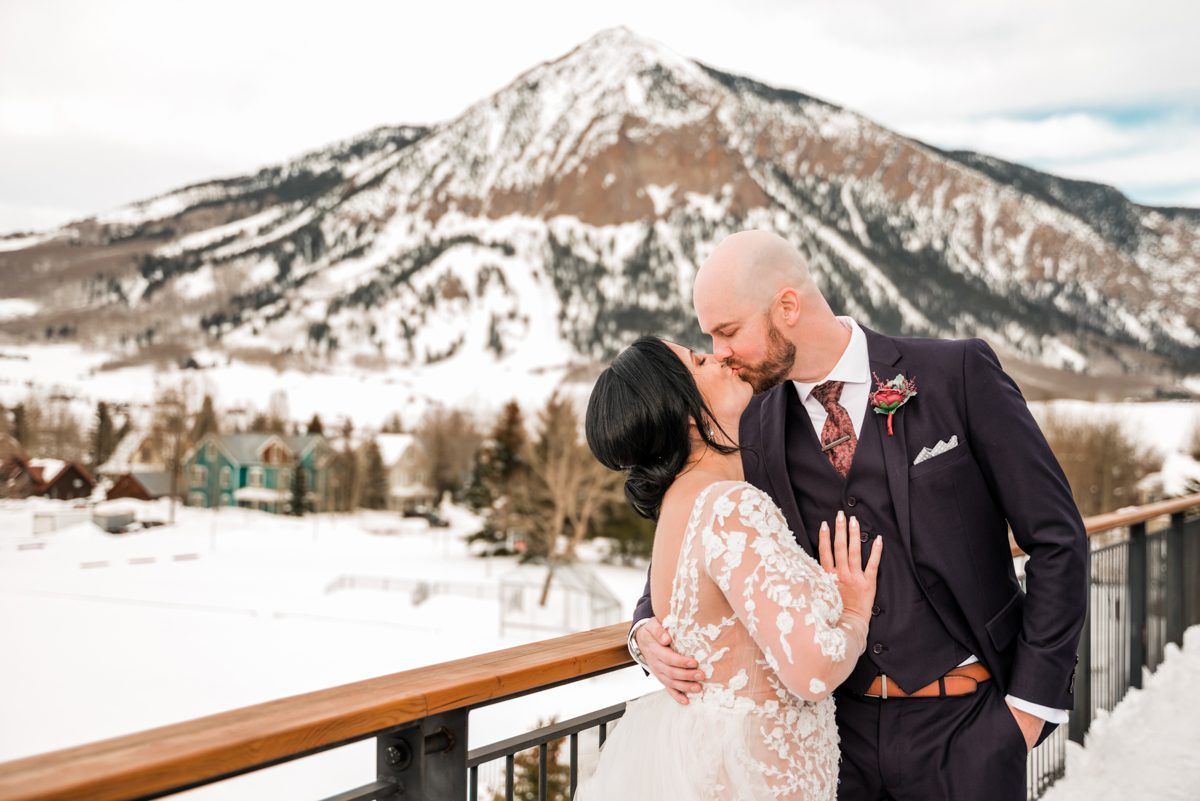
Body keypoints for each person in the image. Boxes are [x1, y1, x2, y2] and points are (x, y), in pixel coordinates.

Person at [628, 230, 1089, 800]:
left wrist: (1027, 712)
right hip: (835, 746)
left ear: (787, 307)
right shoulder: (746, 423)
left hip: (969, 728)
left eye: (728, 332)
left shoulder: (956, 373)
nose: (719, 353)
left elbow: (1057, 538)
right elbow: (699, 533)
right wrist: (644, 626)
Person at [575, 335, 883, 800]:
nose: (720, 356)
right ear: (682, 412)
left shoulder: (680, 505)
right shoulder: (728, 505)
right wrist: (855, 613)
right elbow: (812, 670)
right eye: (699, 360)